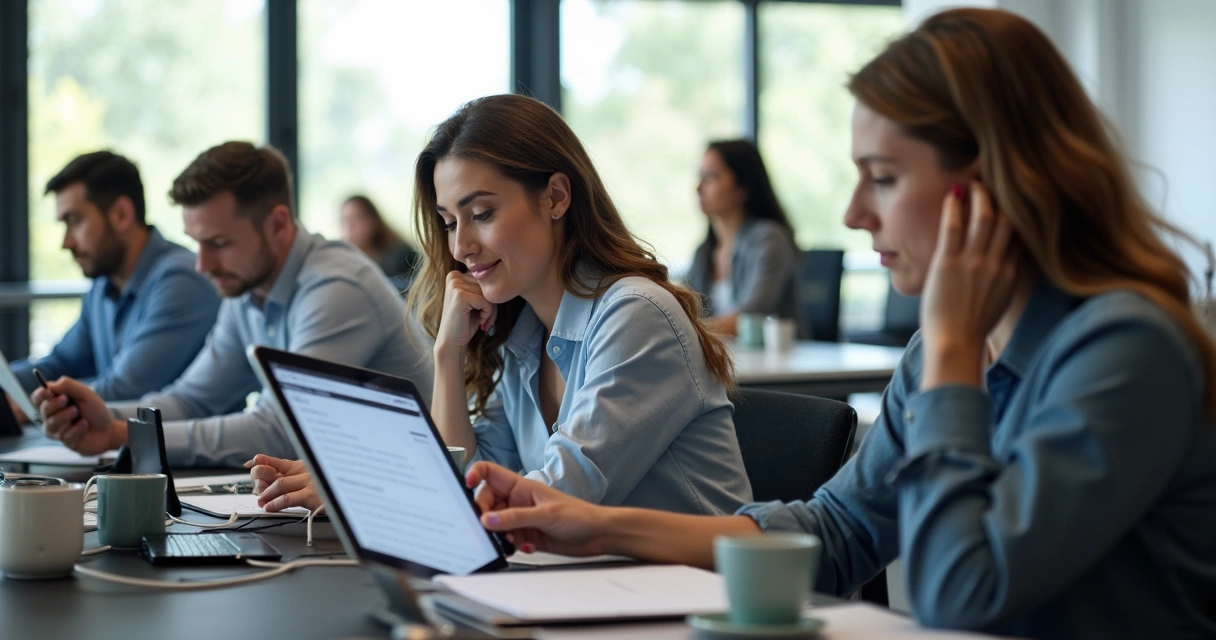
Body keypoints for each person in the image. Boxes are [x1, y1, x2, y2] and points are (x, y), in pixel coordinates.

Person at [449, 9, 1216, 639]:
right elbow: (836, 535)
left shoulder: (1124, 346)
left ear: (987, 187)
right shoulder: (936, 359)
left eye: (882, 178)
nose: (853, 214)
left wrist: (950, 348)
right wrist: (596, 526)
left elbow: (963, 595)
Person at [248, 94, 752, 516]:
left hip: (694, 610)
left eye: (481, 213)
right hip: (588, 591)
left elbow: (549, 503)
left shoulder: (636, 315)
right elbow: (469, 481)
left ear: (555, 197)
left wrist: (362, 491)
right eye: (448, 222)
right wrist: (447, 355)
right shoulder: (524, 332)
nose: (460, 246)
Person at [34, 142, 434, 468]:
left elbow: (281, 430)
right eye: (197, 243)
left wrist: (122, 433)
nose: (203, 265)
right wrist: (100, 415)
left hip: (403, 504)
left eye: (219, 244)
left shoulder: (336, 288)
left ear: (278, 224)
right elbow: (192, 398)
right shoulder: (246, 289)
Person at [6, 151, 218, 422]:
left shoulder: (182, 280)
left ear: (121, 214)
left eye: (75, 221)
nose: (66, 242)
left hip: (183, 460)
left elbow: (123, 391)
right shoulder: (103, 285)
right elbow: (58, 365)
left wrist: (32, 406)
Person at [686, 139, 800, 335]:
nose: (698, 188)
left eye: (710, 177)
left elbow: (751, 318)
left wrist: (683, 330)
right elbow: (686, 311)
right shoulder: (704, 252)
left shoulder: (769, 239)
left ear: (742, 187)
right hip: (728, 360)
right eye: (700, 176)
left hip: (777, 362)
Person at [339, 194, 420, 288]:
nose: (349, 227)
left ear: (372, 220)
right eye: (344, 221)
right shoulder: (346, 265)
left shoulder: (402, 257)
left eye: (356, 218)